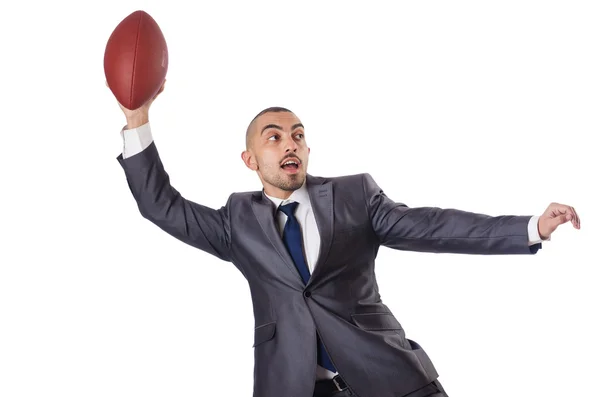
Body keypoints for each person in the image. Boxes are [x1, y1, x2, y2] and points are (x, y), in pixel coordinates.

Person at [113, 81, 580, 397]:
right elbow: (162, 206)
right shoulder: (237, 220)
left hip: (386, 375)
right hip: (294, 384)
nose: (290, 143)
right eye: (273, 138)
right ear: (250, 160)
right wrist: (137, 118)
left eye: (298, 135)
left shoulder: (355, 195)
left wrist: (529, 227)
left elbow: (432, 225)